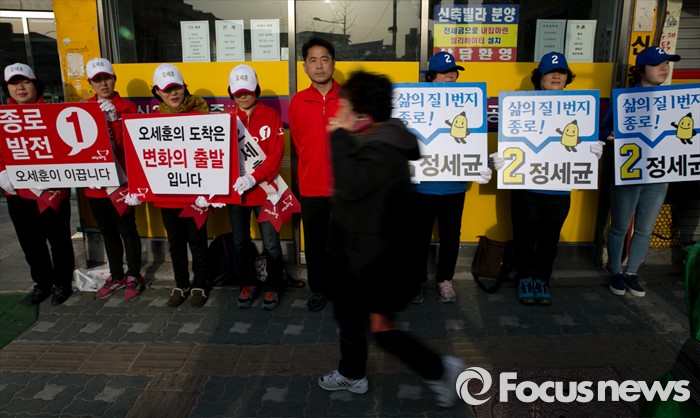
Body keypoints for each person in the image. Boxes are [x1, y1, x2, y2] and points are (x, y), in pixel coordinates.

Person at [318, 70, 465, 408]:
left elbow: (352, 184)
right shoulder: (381, 138)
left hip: (372, 259)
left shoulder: (382, 147)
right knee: (358, 322)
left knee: (375, 327)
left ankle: (439, 369)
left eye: (344, 106)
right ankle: (358, 372)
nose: (338, 113)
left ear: (362, 114)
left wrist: (338, 136)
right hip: (364, 254)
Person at [491, 52, 604, 306]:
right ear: (539, 77)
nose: (556, 76)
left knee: (549, 239)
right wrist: (500, 158)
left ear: (567, 78)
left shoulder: (579, 109)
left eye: (561, 72)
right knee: (524, 236)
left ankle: (542, 279)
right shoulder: (521, 105)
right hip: (525, 187)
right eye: (550, 72)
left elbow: (578, 145)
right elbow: (511, 141)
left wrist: (592, 152)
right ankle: (524, 278)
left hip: (559, 188)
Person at [412, 51, 492, 304]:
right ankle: (416, 281)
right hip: (422, 187)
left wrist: (483, 164)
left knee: (450, 236)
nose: (450, 76)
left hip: (454, 186)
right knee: (418, 237)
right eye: (444, 72)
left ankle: (445, 279)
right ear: (431, 76)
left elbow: (474, 139)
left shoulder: (468, 103)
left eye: (453, 72)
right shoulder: (416, 103)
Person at [604, 47, 682, 297]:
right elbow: (603, 129)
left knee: (645, 227)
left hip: (659, 172)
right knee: (620, 225)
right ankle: (615, 270)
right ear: (641, 70)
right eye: (657, 64)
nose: (664, 68)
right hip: (628, 171)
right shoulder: (624, 98)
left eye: (666, 63)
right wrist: (609, 136)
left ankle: (632, 272)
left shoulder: (675, 100)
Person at [0, 63, 75, 306]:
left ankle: (63, 284)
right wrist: (2, 172)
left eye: (25, 82)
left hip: (52, 192)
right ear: (7, 88)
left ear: (35, 84)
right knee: (31, 244)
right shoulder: (3, 118)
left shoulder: (54, 113)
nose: (20, 88)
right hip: (18, 193)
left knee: (60, 241)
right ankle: (43, 284)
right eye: (14, 83)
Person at [145, 63, 210, 308]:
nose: (173, 93)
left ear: (184, 87)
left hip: (195, 194)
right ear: (157, 92)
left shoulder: (201, 114)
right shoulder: (152, 121)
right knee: (175, 243)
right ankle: (181, 284)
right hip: (167, 194)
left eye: (177, 87)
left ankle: (201, 283)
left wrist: (210, 188)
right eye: (166, 89)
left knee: (197, 241)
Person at [224, 64, 286, 310]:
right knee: (240, 242)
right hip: (236, 194)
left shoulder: (271, 116)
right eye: (238, 92)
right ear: (231, 92)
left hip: (266, 191)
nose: (243, 96)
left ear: (256, 89)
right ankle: (247, 283)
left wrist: (253, 178)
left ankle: (274, 286)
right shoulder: (226, 118)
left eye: (247, 91)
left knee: (271, 243)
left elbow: (275, 157)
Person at [82, 58, 144, 301]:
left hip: (121, 182)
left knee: (127, 229)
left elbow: (130, 146)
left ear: (114, 78)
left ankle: (134, 275)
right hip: (95, 184)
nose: (103, 84)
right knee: (107, 231)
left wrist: (115, 120)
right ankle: (116, 274)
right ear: (90, 83)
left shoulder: (128, 107)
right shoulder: (84, 108)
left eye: (106, 78)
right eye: (97, 80)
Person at [289, 37, 341, 312]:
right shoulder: (298, 102)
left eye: (324, 59)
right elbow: (298, 144)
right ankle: (318, 289)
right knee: (315, 244)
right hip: (311, 188)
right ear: (305, 67)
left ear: (333, 63)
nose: (319, 66)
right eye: (313, 60)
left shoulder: (349, 99)